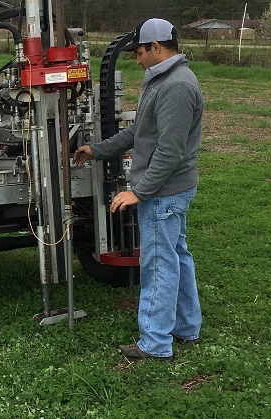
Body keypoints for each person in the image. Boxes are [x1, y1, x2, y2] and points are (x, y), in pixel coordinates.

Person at [74, 18, 203, 362]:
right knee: (177, 256)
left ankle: (155, 343)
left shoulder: (176, 86)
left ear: (157, 47)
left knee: (160, 264)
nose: (137, 59)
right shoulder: (160, 80)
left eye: (140, 52)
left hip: (165, 192)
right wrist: (97, 149)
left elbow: (170, 151)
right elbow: (139, 133)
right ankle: (187, 327)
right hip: (166, 190)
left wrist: (140, 191)